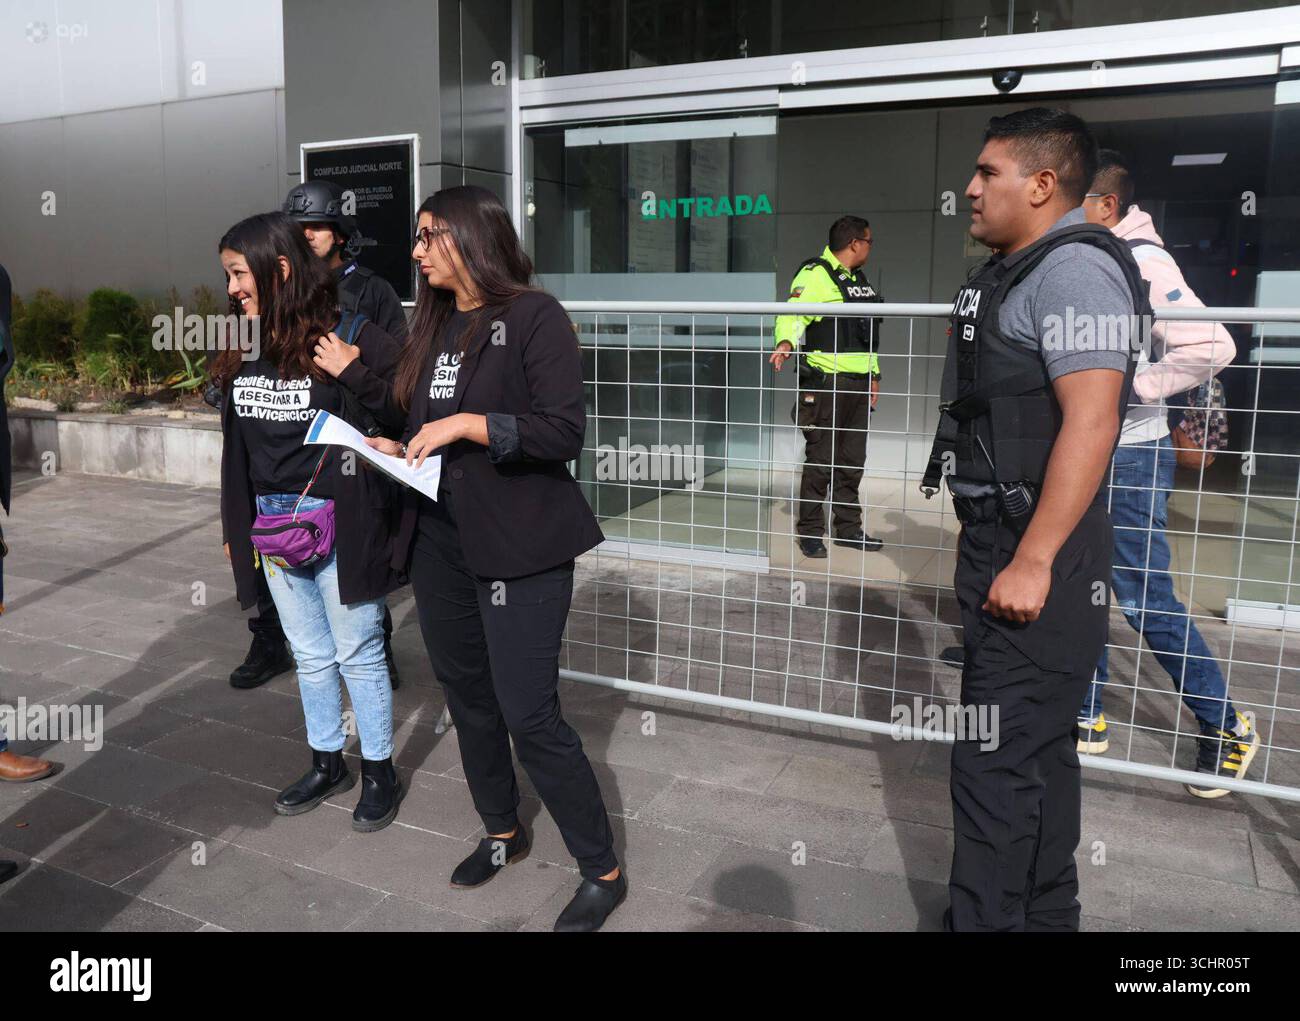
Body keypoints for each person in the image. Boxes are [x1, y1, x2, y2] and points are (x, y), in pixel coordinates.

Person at [366, 185, 625, 931]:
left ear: (469, 236)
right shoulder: (435, 326)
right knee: (467, 696)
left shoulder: (533, 316)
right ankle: (502, 829)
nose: (415, 252)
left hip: (522, 544)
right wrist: (400, 443)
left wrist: (467, 425)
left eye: (426, 236)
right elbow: (419, 419)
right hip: (440, 539)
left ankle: (601, 868)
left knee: (528, 711)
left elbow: (562, 430)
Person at [919, 108, 1148, 931]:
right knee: (1038, 756)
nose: (969, 188)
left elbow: (1093, 419)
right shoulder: (1016, 271)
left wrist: (1035, 557)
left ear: (1044, 185)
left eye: (987, 173)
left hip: (1037, 551)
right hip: (1003, 543)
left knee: (991, 763)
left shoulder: (1073, 272)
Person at [215, 212, 407, 831]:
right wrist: (234, 522)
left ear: (281, 270)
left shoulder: (347, 330)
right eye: (227, 277)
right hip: (273, 525)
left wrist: (354, 371)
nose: (231, 290)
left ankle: (379, 768)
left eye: (239, 274)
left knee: (359, 650)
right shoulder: (245, 345)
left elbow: (410, 404)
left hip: (343, 517)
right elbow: (237, 448)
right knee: (308, 653)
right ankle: (328, 761)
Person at [1080, 150, 1256, 797]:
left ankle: (1228, 723)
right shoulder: (1095, 259)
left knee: (1143, 596)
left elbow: (1215, 344)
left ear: (1104, 207)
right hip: (1091, 449)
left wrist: (1133, 388)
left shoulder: (1144, 262)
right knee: (1085, 583)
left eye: (1074, 201)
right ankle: (1086, 709)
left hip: (1129, 451)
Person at [772, 215, 886, 557]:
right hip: (826, 385)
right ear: (854, 243)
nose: (870, 247)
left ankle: (848, 529)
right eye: (869, 241)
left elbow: (867, 337)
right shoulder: (815, 274)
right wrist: (785, 343)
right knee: (821, 462)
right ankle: (809, 532)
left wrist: (875, 376)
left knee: (852, 462)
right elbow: (792, 314)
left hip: (858, 385)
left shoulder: (858, 280)